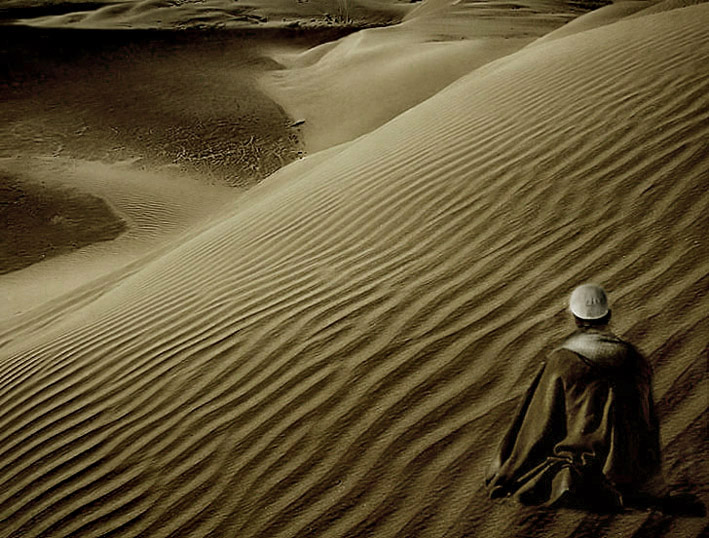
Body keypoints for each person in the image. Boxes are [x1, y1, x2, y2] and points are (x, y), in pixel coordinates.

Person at [485, 283, 663, 511]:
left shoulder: (561, 360)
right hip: (631, 467)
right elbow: (648, 423)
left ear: (575, 319)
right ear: (608, 315)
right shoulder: (636, 359)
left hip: (581, 459)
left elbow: (538, 422)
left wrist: (511, 463)